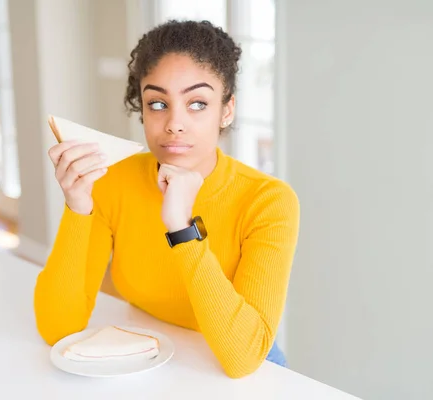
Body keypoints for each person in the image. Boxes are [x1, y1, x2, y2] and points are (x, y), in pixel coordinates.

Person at [34, 19, 300, 378]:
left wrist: (182, 229)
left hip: (241, 369)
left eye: (197, 103)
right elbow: (58, 330)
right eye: (158, 104)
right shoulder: (113, 180)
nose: (174, 123)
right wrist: (77, 207)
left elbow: (242, 359)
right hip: (154, 361)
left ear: (227, 109)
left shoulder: (268, 201)